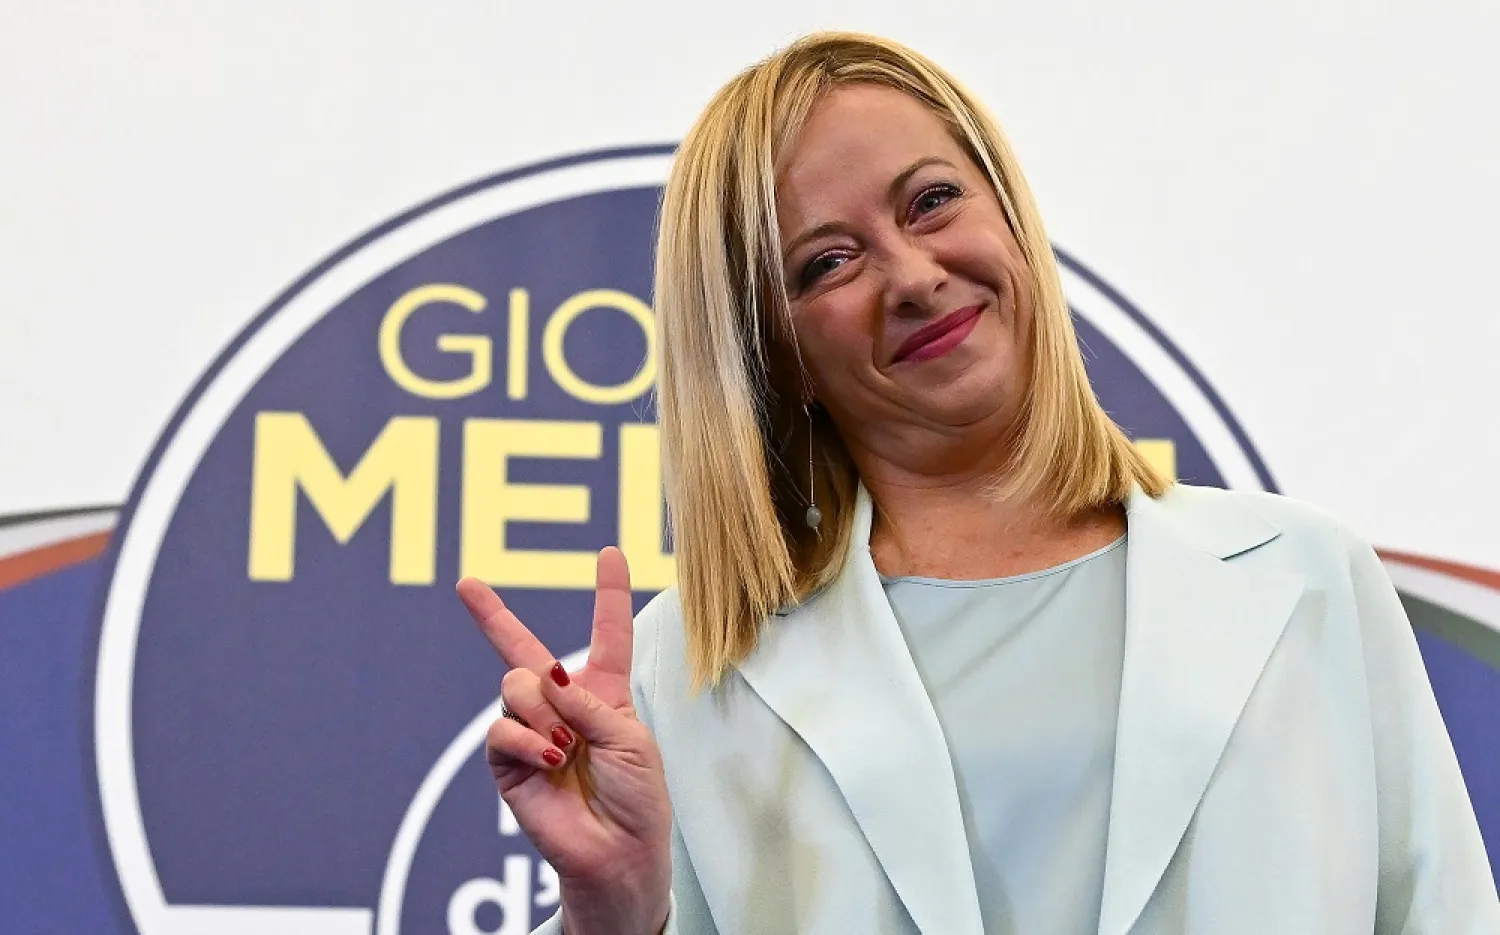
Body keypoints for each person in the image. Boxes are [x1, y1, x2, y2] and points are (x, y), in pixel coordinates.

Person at [455, 30, 1500, 935]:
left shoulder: (1301, 575)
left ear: (1009, 209)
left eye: (933, 200)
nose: (912, 276)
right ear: (774, 353)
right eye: (829, 262)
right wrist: (611, 908)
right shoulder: (690, 671)